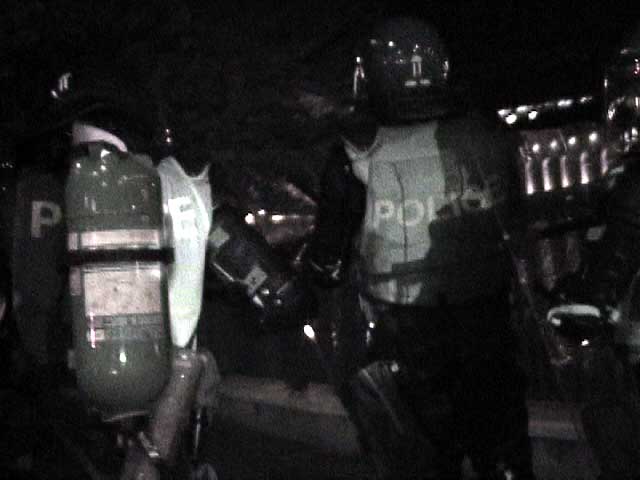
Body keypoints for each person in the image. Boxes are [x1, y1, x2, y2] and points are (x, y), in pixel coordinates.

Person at [307, 16, 534, 479]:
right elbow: (516, 223)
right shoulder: (487, 135)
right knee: (505, 456)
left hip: (405, 340)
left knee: (421, 461)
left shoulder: (356, 156)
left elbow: (327, 260)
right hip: (491, 327)